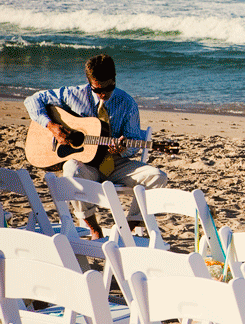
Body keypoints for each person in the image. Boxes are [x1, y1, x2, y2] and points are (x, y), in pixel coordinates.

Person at [24, 53, 168, 239]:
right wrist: (51, 126)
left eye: (108, 88)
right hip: (87, 165)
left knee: (158, 177)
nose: (103, 94)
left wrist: (124, 148)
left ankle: (126, 228)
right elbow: (32, 100)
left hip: (115, 163)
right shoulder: (72, 94)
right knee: (71, 170)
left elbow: (133, 143)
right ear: (89, 82)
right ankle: (94, 229)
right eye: (97, 89)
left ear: (115, 79)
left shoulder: (127, 104)